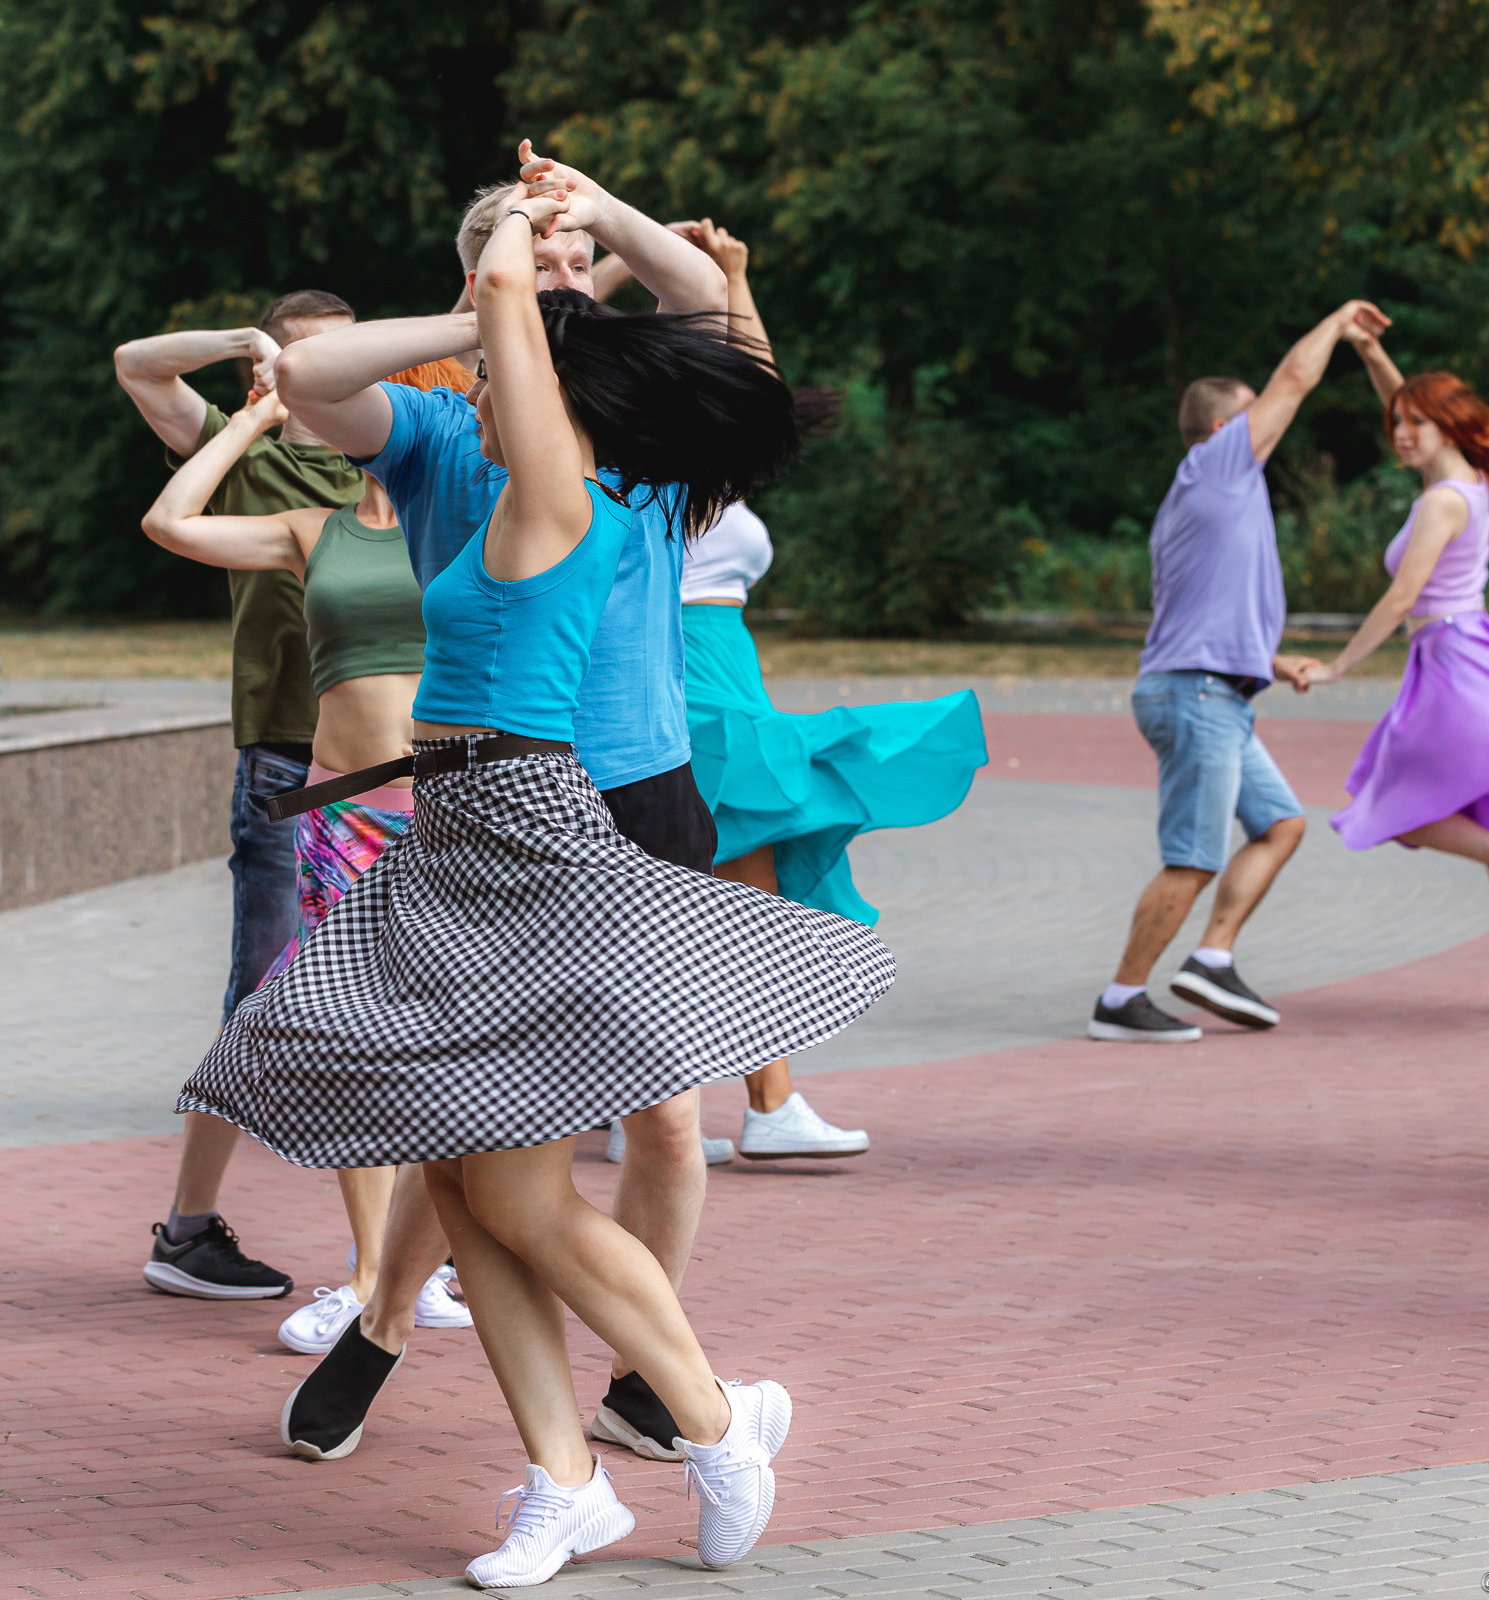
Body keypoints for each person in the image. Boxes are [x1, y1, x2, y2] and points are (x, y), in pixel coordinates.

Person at [179, 185, 894, 1584]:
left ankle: (709, 1412)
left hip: (538, 835)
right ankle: (566, 1478)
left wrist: (537, 243)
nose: (482, 400)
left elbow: (548, 319)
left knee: (523, 1191)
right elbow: (368, 362)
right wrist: (504, 293)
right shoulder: (507, 459)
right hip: (462, 836)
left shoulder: (572, 492)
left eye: (507, 382)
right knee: (468, 1172)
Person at [267, 142, 739, 1470]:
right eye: (543, 263)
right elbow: (306, 378)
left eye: (578, 262)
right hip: (497, 805)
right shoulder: (435, 428)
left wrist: (594, 209)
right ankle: (387, 1323)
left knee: (663, 1116)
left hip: (642, 796)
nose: (568, 279)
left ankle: (655, 1380)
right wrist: (488, 309)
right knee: (472, 1113)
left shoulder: (646, 428)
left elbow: (700, 291)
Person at [603, 219, 988, 1158]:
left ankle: (714, 1104)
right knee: (720, 895)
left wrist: (730, 274)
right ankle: (719, 1106)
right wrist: (624, 249)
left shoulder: (716, 463)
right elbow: (571, 314)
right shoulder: (642, 459)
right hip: (680, 674)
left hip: (729, 676)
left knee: (726, 896)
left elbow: (761, 392)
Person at [137, 367, 478, 1352]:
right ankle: (374, 1276)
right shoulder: (311, 530)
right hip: (340, 816)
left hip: (445, 809)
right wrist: (248, 418)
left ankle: (444, 1260)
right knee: (351, 1040)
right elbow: (170, 519)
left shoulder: (465, 521)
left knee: (446, 1044)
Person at [113, 290, 359, 1300]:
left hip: (389, 768)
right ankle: (186, 1229)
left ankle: (405, 1255)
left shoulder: (397, 463)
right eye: (317, 363)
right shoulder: (248, 450)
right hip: (287, 762)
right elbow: (136, 364)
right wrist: (243, 353)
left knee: (383, 1004)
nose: (344, 380)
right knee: (260, 997)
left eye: (357, 362)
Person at [1087, 301, 1387, 1043]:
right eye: (1255, 416)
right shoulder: (1216, 467)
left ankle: (1212, 957)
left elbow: (1203, 610)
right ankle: (1121, 1000)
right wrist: (1337, 322)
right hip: (1196, 696)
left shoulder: (1220, 496)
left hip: (1214, 686)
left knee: (1282, 823)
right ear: (1224, 430)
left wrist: (1272, 661)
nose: (1271, 425)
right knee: (1191, 859)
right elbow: (1294, 377)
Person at [1305, 336, 1489, 1017]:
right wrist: (1369, 353)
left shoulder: (1441, 502)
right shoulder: (1462, 480)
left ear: (1446, 426)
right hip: (1462, 657)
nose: (1398, 434)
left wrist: (1337, 667)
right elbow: (1411, 406)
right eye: (1394, 423)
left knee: (1399, 807)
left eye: (1411, 425)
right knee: (1485, 820)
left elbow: (1401, 601)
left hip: (1455, 666)